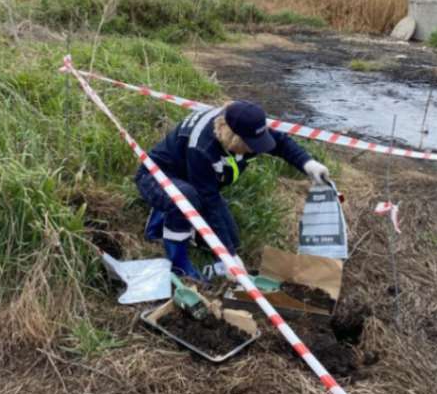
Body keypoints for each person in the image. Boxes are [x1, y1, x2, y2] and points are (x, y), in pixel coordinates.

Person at [136, 100, 330, 279]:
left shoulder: (246, 124)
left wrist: (308, 164)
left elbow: (280, 142)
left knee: (232, 240)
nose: (257, 149)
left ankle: (171, 219)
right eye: (252, 145)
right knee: (187, 198)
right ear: (233, 137)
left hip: (191, 179)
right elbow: (209, 200)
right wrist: (228, 256)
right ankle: (178, 264)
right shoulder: (203, 148)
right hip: (156, 177)